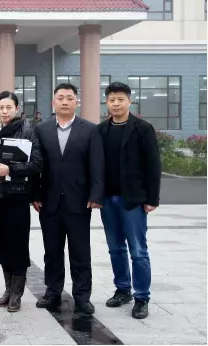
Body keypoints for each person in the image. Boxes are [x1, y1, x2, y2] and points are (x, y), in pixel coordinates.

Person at [32, 83, 104, 315]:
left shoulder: (90, 130)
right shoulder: (41, 129)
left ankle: (82, 296)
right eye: (60, 97)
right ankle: (52, 292)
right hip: (49, 201)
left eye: (69, 98)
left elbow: (97, 165)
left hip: (79, 201)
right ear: (53, 102)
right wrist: (35, 194)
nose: (65, 101)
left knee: (80, 252)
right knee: (52, 251)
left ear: (76, 102)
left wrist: (96, 195)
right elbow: (35, 165)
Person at [97, 82, 161, 319]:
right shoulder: (101, 130)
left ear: (129, 101)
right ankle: (122, 289)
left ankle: (142, 297)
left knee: (138, 250)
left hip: (132, 200)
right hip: (108, 199)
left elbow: (153, 165)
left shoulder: (142, 128)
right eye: (112, 100)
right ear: (107, 102)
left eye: (120, 99)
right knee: (115, 248)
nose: (116, 104)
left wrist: (152, 199)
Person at [0, 91, 42, 312]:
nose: (5, 111)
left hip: (17, 196)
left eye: (9, 107)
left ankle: (17, 294)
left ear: (17, 109)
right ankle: (8, 290)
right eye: (1, 107)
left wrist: (10, 170)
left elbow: (37, 164)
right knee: (1, 244)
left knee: (17, 245)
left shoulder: (27, 131)